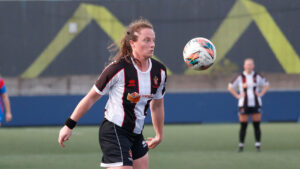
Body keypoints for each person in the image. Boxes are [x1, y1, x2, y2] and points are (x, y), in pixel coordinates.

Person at [58, 18, 167, 169]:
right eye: (146, 40)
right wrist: (69, 125)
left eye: (153, 40)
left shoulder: (159, 71)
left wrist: (159, 135)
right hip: (114, 130)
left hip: (136, 133)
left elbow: (157, 106)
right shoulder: (118, 69)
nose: (152, 44)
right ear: (133, 43)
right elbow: (90, 98)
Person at [228, 58, 269, 152]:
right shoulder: (240, 76)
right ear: (244, 66)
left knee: (256, 125)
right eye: (247, 64)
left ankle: (258, 145)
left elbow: (266, 84)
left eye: (251, 64)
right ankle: (241, 145)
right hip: (243, 104)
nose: (249, 66)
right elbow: (230, 87)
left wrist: (261, 93)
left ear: (253, 66)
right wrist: (237, 95)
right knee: (243, 125)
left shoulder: (257, 76)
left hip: (256, 103)